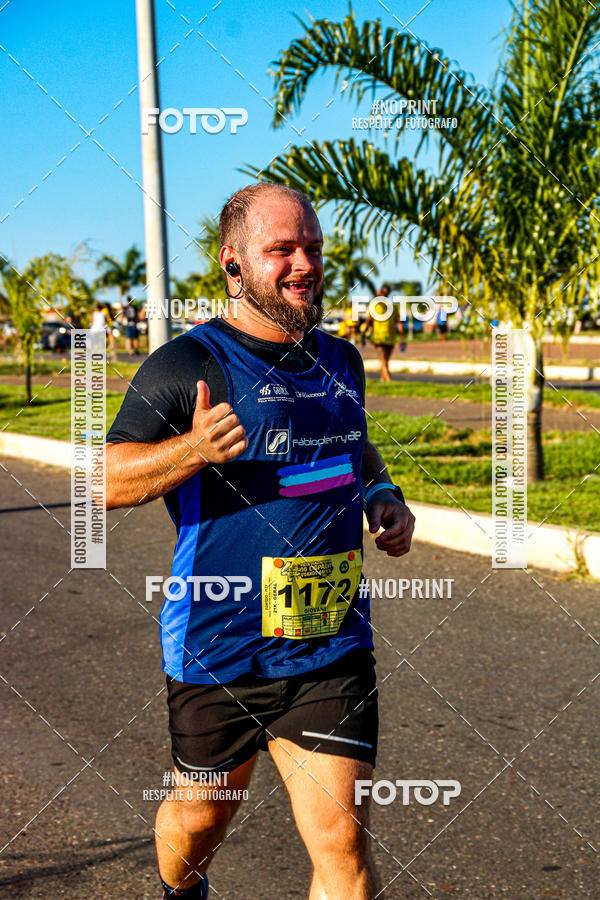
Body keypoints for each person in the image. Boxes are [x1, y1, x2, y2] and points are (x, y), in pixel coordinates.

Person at [105, 183, 415, 900]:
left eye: (312, 248)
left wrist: (381, 495)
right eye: (282, 250)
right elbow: (104, 481)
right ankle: (183, 890)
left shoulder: (341, 360)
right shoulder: (188, 364)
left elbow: (352, 443)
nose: (305, 263)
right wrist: (190, 450)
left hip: (330, 642)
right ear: (234, 265)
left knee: (342, 842)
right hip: (220, 645)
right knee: (200, 818)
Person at [361, 284, 399, 381]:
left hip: (379, 336)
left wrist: (363, 334)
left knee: (383, 360)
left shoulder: (375, 305)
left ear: (379, 292)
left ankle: (388, 379)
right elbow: (399, 323)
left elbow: (368, 321)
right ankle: (383, 378)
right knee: (386, 360)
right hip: (391, 337)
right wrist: (402, 337)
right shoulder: (393, 306)